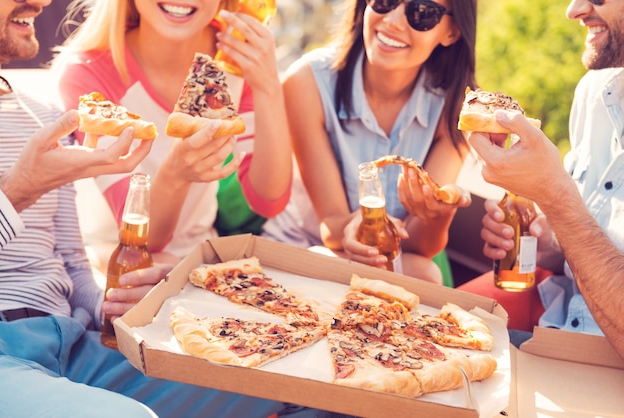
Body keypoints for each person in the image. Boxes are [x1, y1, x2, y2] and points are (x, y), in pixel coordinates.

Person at [0, 0, 325, 416]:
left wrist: (116, 305)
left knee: (308, 380)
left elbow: (70, 265)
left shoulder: (41, 115)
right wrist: (19, 188)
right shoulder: (82, 81)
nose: (42, 1)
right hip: (6, 346)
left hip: (74, 339)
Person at [51, 0, 292, 261]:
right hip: (115, 260)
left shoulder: (236, 59)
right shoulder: (87, 73)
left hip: (199, 260)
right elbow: (141, 237)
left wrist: (269, 87)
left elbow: (269, 200)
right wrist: (177, 173)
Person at [263, 0, 476, 284]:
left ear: (451, 32)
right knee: (324, 257)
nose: (393, 21)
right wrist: (360, 229)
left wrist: (440, 212)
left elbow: (419, 248)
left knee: (426, 274)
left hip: (386, 258)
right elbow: (332, 230)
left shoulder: (459, 109)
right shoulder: (307, 81)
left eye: (422, 13)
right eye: (385, 1)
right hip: (305, 248)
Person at [459, 0, 624, 357]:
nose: (574, 10)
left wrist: (557, 198)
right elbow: (594, 246)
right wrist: (544, 241)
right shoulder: (594, 91)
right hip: (553, 325)